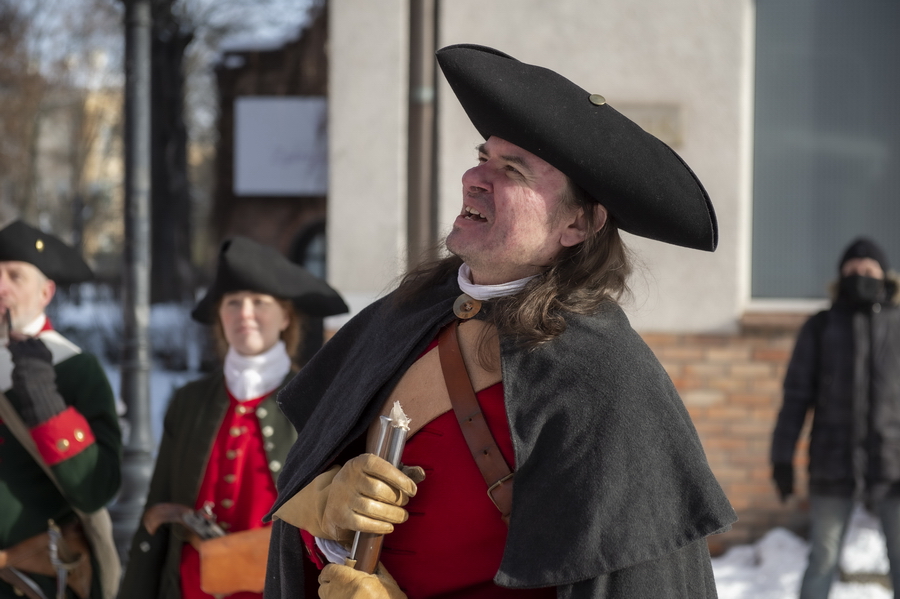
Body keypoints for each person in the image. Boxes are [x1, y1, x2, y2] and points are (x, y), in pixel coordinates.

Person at [265, 44, 736, 598]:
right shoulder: (402, 318)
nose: (474, 177)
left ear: (578, 225)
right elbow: (303, 496)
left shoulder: (609, 376)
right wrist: (323, 503)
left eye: (511, 170)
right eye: (483, 156)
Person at [119, 237, 347, 599]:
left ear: (286, 316)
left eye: (259, 302)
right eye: (233, 303)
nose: (244, 313)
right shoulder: (189, 401)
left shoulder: (318, 401)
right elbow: (158, 506)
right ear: (220, 317)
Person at [772, 237, 900, 599]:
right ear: (840, 276)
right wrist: (781, 457)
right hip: (832, 463)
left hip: (895, 466)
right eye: (852, 270)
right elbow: (796, 398)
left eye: (868, 269)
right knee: (823, 558)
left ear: (884, 275)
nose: (861, 275)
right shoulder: (821, 327)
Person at [0, 219, 122, 599]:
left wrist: (43, 397)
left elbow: (95, 489)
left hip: (36, 581)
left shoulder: (74, 366)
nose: (0, 287)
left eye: (15, 276)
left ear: (46, 291)